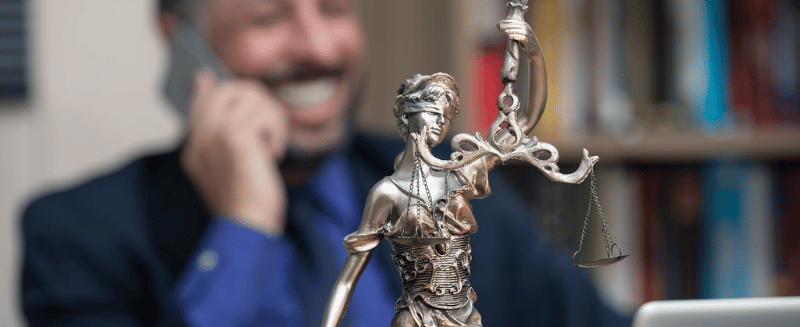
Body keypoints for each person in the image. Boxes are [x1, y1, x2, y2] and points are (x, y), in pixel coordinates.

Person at [20, 0, 631, 326]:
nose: (317, 48)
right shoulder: (76, 239)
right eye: (267, 17)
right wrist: (245, 225)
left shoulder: (454, 190)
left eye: (334, 9)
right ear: (182, 40)